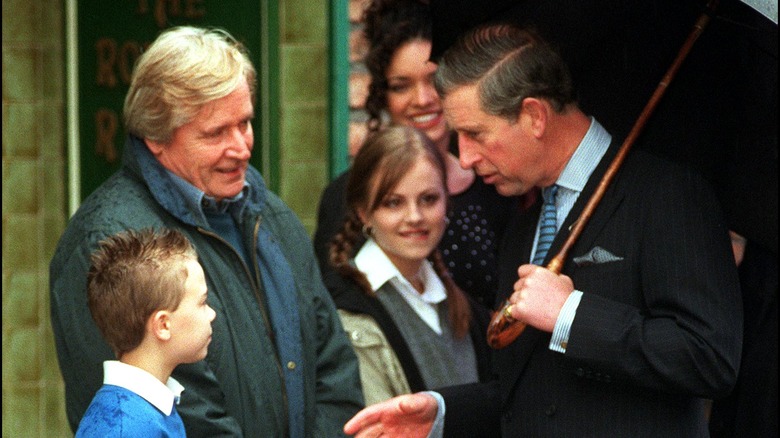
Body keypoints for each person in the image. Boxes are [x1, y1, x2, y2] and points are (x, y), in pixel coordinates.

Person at [343, 23, 743, 437]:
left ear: (534, 115)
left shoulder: (665, 195)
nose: (464, 158)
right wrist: (443, 412)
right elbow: (532, 394)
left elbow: (710, 358)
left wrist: (572, 313)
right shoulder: (523, 225)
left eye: (475, 133)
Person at [49, 26, 363, 437]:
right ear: (155, 138)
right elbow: (167, 410)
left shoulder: (272, 217)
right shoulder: (108, 243)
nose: (241, 147)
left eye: (245, 123)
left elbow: (333, 366)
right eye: (215, 133)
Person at [314, 0, 520, 309]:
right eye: (401, 86)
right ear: (382, 95)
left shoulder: (497, 188)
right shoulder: (345, 197)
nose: (422, 99)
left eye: (434, 81)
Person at [325, 125, 494, 406]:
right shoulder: (345, 312)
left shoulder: (464, 307)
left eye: (429, 199)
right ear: (364, 212)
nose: (415, 216)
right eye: (394, 203)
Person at [75, 228, 213, 437]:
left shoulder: (149, 408)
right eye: (202, 302)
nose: (212, 314)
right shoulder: (124, 429)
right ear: (163, 325)